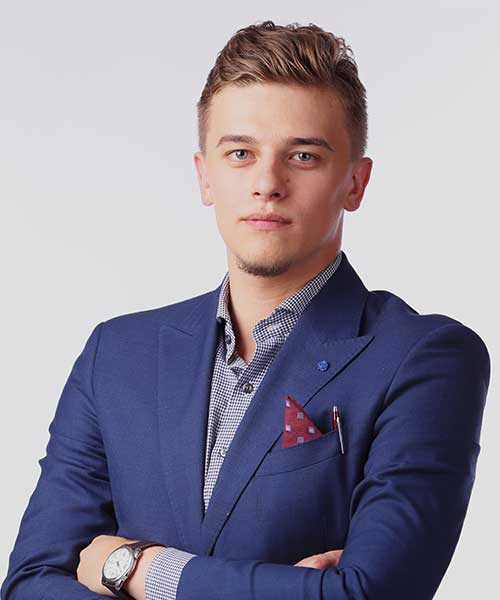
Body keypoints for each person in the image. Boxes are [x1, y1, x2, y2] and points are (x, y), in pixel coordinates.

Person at [1, 20, 490, 600]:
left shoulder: (426, 358)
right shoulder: (116, 354)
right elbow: (30, 583)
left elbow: (367, 594)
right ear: (204, 176)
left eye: (303, 156)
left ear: (355, 184)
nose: (267, 183)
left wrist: (138, 570)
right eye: (240, 153)